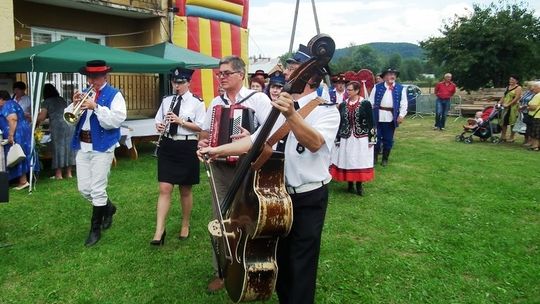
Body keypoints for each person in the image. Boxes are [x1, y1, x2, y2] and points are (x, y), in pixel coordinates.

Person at [199, 62, 340, 303]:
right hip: (276, 196)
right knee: (280, 258)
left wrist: (291, 115)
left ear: (310, 78)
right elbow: (254, 141)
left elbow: (315, 142)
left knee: (301, 263)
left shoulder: (326, 110)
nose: (286, 73)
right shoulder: (283, 109)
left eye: (293, 70)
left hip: (308, 198)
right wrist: (217, 150)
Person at [199, 55, 273, 292]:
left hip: (247, 168)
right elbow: (205, 133)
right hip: (220, 167)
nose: (220, 77)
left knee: (248, 218)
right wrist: (201, 146)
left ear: (241, 75)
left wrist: (251, 137)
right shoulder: (215, 102)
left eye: (226, 73)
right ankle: (221, 270)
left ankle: (249, 264)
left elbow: (272, 133)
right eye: (219, 73)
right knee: (219, 219)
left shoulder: (258, 99)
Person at [66, 60, 126, 247]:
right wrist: (74, 104)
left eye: (97, 76)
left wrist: (96, 107)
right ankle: (108, 208)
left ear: (105, 76)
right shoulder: (84, 93)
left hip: (103, 146)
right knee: (84, 189)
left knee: (98, 189)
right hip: (83, 145)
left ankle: (95, 229)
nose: (93, 80)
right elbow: (70, 120)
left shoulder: (115, 94)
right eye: (90, 76)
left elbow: (116, 120)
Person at [150, 67, 206, 246]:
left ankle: (185, 223)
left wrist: (181, 121)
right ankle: (159, 230)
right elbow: (158, 119)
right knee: (165, 188)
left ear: (188, 83)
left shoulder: (197, 102)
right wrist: (159, 126)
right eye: (174, 82)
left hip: (187, 145)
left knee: (185, 189)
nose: (177, 85)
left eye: (181, 82)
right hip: (168, 144)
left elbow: (202, 127)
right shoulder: (167, 100)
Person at [330, 81, 375, 195]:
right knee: (348, 159)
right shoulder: (343, 104)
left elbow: (371, 122)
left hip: (361, 138)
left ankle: (359, 186)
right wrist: (338, 138)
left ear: (357, 91)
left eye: (350, 90)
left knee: (359, 160)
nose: (347, 92)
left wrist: (372, 138)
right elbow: (340, 122)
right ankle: (350, 185)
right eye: (347, 89)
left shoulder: (365, 103)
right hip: (346, 137)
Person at [368, 68, 408, 167]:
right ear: (385, 77)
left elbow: (404, 103)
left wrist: (401, 115)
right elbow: (370, 102)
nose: (392, 76)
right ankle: (374, 158)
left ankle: (385, 159)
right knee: (374, 138)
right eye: (390, 74)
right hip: (376, 117)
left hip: (391, 118)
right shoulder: (377, 87)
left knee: (388, 140)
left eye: (394, 74)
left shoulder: (400, 88)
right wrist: (369, 115)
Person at [36, 84, 75, 179]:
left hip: (57, 126)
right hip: (69, 124)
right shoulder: (61, 99)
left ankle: (59, 174)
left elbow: (42, 117)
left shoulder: (46, 102)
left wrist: (33, 119)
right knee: (68, 148)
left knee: (58, 149)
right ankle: (69, 173)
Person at [0, 90, 31, 190]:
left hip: (17, 133)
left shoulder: (7, 105)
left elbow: (13, 119)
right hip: (21, 132)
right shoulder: (12, 103)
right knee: (19, 154)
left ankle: (23, 181)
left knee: (17, 154)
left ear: (1, 99)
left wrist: (10, 135)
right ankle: (21, 180)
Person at [498, 75, 522, 142]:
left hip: (513, 107)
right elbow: (504, 96)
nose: (510, 81)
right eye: (510, 79)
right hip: (505, 107)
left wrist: (509, 104)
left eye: (512, 80)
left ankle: (512, 137)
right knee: (504, 122)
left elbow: (517, 97)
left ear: (516, 81)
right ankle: (503, 136)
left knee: (512, 122)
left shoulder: (518, 88)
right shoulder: (507, 87)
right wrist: (499, 103)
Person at [518, 81, 535, 146]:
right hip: (524, 111)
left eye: (528, 86)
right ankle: (526, 139)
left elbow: (532, 103)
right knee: (526, 126)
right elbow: (522, 99)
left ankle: (530, 141)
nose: (527, 87)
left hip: (530, 111)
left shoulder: (535, 94)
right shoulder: (527, 92)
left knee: (530, 126)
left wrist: (524, 106)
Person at [526, 81, 540, 151]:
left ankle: (535, 146)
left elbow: (533, 107)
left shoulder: (537, 96)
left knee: (535, 132)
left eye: (535, 87)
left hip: (536, 116)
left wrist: (528, 108)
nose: (533, 88)